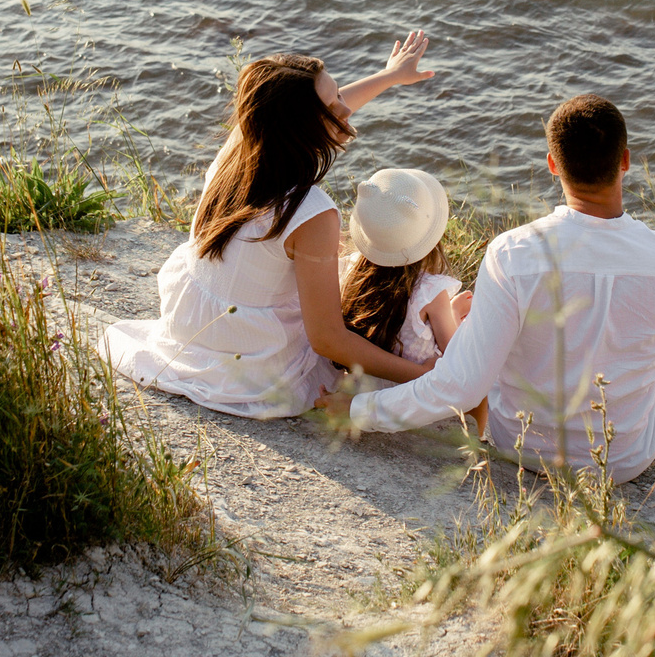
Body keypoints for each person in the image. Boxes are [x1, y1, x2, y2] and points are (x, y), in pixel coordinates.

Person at [322, 94, 655, 487]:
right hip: (623, 460)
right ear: (625, 162)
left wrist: (359, 410)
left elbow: (460, 385)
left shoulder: (514, 252)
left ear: (553, 165)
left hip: (522, 447)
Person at [103, 34, 438, 418]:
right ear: (301, 127)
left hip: (190, 326)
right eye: (333, 104)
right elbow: (327, 339)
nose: (345, 108)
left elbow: (319, 110)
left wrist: (389, 76)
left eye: (339, 96)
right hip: (253, 361)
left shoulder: (244, 143)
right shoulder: (311, 212)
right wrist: (419, 375)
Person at [339, 166, 472, 377]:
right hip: (409, 394)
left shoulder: (352, 272)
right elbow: (455, 356)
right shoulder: (430, 293)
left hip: (363, 389)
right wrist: (454, 312)